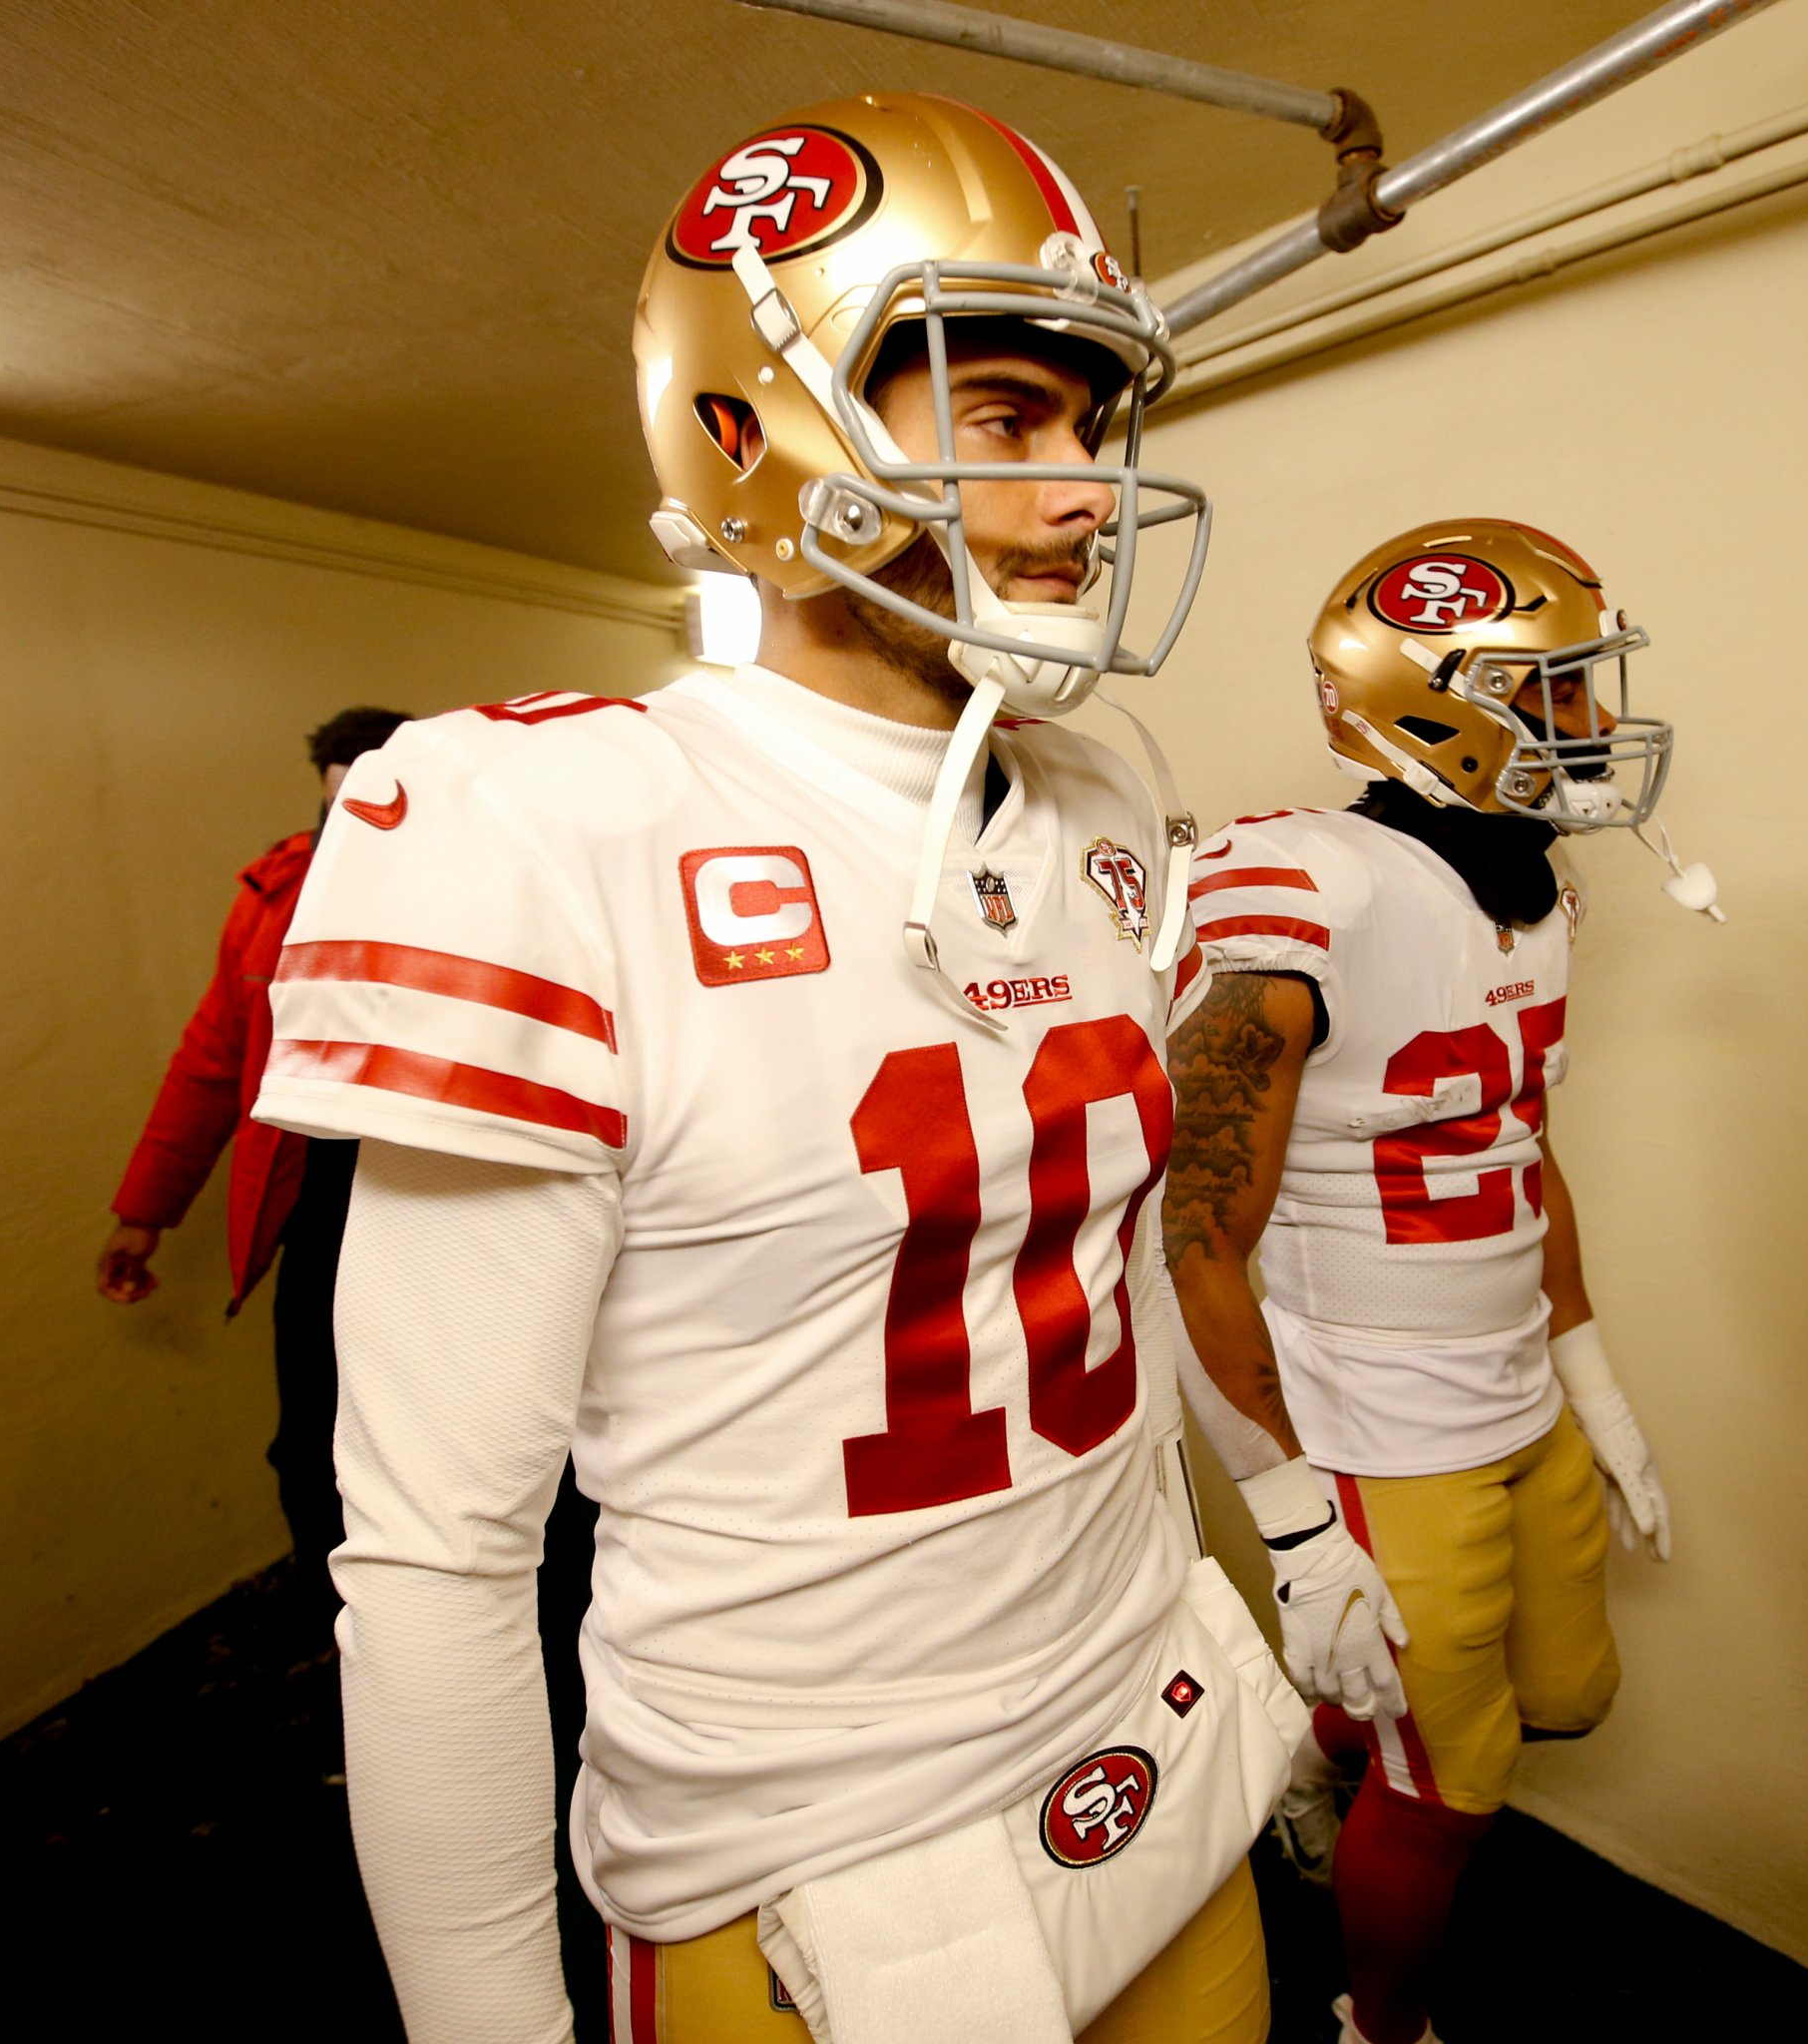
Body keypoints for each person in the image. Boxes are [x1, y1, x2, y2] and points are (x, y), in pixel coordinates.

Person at [250, 95, 1301, 2044]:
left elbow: (1102, 1268)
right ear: (748, 434)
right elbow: (432, 1556)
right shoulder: (544, 818)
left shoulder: (1094, 792)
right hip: (821, 1858)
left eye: (1090, 424)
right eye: (999, 420)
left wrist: (1285, 1525)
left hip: (1150, 1702)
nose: (1080, 491)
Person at [1163, 519, 1698, 2044]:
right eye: (1559, 692)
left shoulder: (1540, 894)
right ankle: (1378, 2027)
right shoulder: (1303, 885)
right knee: (1451, 1790)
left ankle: (1320, 1748)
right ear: (1437, 708)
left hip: (1515, 1385)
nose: (1593, 726)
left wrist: (1589, 1380)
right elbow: (1195, 1228)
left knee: (1568, 1695)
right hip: (1383, 1424)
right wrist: (1292, 1527)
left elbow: (1519, 1149)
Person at [98, 704, 411, 1630]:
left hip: (447, 1204)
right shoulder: (277, 896)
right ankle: (353, 1641)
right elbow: (213, 1056)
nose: (350, 828)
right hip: (320, 1204)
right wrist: (145, 1209)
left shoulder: (486, 885)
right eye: (335, 805)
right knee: (310, 1444)